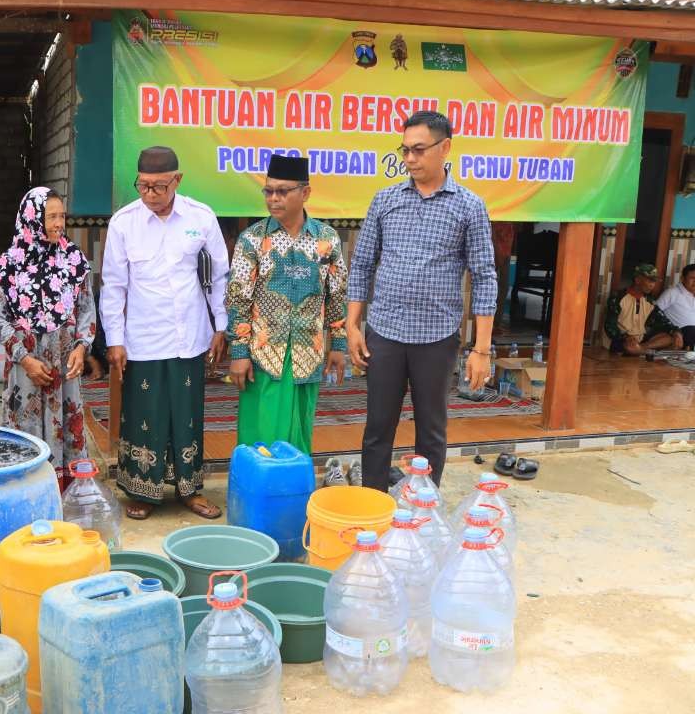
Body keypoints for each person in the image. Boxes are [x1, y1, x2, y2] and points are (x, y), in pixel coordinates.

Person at [347, 110, 497, 492]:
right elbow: (362, 263)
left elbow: (484, 276)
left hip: (437, 337)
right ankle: (374, 503)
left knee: (431, 430)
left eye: (419, 150)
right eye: (405, 150)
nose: (410, 159)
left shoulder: (468, 206)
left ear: (445, 147)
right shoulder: (386, 200)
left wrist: (481, 349)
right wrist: (352, 325)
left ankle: (422, 509)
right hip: (386, 332)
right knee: (378, 426)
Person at [100, 146, 228, 520]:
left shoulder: (201, 217)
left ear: (178, 181)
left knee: (187, 414)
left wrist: (221, 326)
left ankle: (190, 489)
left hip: (190, 335)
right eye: (143, 186)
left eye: (159, 186)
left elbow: (220, 276)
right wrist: (115, 339)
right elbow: (113, 286)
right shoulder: (124, 222)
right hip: (143, 338)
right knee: (146, 414)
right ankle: (143, 490)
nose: (150, 195)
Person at [225, 154, 348, 454]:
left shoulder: (326, 240)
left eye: (282, 191)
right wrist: (239, 352)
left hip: (308, 352)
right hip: (263, 355)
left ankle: (292, 493)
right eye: (268, 191)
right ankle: (261, 492)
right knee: (261, 431)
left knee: (299, 429)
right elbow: (238, 297)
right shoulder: (252, 240)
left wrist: (339, 346)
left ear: (305, 193)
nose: (273, 198)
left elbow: (337, 295)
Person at [0, 187, 95, 489]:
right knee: (26, 426)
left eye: (62, 216)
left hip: (64, 365)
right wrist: (25, 360)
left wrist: (81, 348)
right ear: (32, 217)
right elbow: (0, 319)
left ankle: (67, 497)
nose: (59, 223)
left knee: (68, 423)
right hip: (27, 367)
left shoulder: (74, 258)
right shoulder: (10, 263)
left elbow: (86, 309)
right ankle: (28, 496)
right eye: (51, 217)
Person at [602, 263, 682, 354]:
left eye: (654, 282)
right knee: (629, 347)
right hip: (620, 340)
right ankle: (642, 351)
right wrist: (625, 337)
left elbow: (663, 320)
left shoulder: (649, 302)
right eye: (650, 281)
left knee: (669, 338)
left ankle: (640, 349)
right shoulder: (617, 297)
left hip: (639, 341)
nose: (653, 285)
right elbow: (610, 325)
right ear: (637, 280)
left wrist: (676, 332)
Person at [656, 263, 695, 350]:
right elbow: (655, 312)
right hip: (679, 333)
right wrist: (671, 330)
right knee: (691, 329)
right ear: (682, 279)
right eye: (692, 278)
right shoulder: (672, 293)